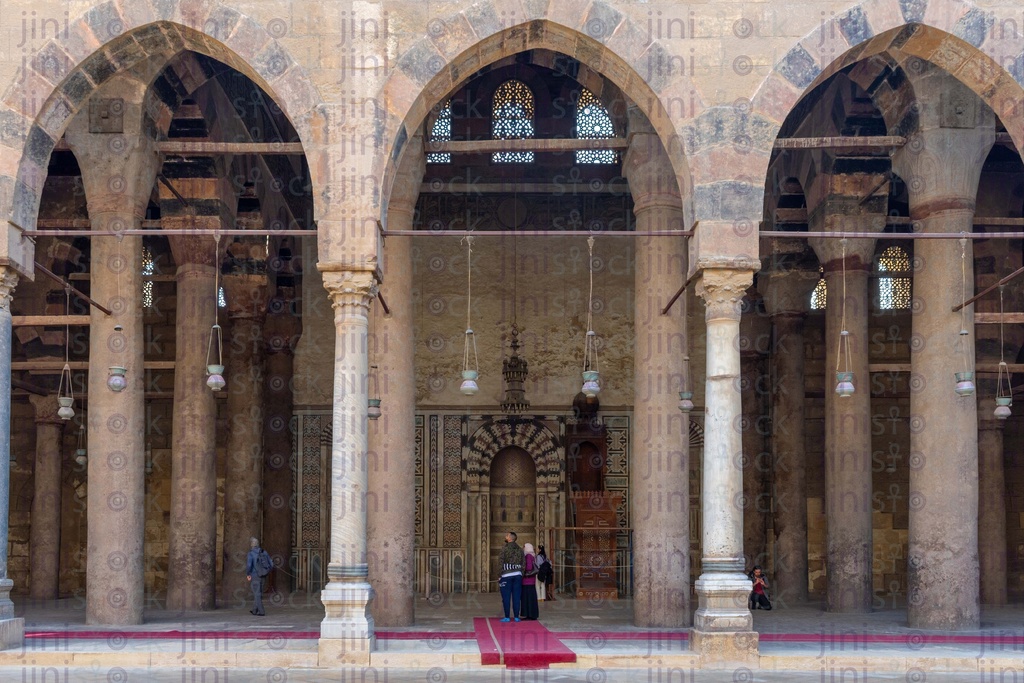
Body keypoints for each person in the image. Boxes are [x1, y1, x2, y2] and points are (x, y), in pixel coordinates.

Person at [497, 531, 524, 622]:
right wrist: (521, 573)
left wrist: (499, 575)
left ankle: (507, 617)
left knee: (506, 597)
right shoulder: (520, 549)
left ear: (510, 538)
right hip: (517, 575)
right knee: (517, 597)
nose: (505, 536)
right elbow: (523, 563)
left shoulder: (504, 548)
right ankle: (516, 616)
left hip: (506, 575)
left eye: (507, 535)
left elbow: (500, 562)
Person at [245, 537, 267, 616]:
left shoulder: (251, 553)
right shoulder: (263, 552)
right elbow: (270, 563)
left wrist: (248, 574)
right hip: (263, 575)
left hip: (255, 575)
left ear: (252, 544)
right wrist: (266, 571)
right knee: (259, 593)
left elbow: (249, 565)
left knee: (257, 593)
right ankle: (254, 610)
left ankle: (261, 611)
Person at [521, 543, 539, 619]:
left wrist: (522, 569)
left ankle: (529, 614)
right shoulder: (532, 555)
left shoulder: (528, 556)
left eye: (524, 547)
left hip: (527, 581)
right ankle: (532, 614)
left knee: (527, 599)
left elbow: (529, 567)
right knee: (531, 598)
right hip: (531, 581)